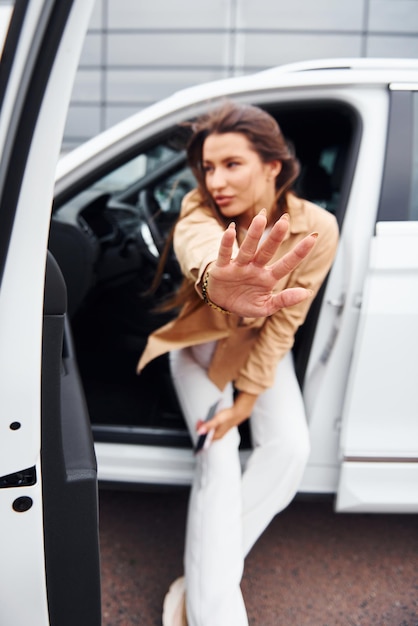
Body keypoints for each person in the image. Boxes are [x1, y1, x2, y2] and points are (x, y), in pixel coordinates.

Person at [137, 101, 339, 626]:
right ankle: (208, 613)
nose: (216, 180)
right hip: (199, 347)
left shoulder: (318, 227)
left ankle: (204, 573)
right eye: (208, 167)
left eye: (232, 164)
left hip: (258, 348)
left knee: (291, 449)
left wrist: (246, 400)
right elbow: (196, 245)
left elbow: (283, 325)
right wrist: (214, 281)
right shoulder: (199, 210)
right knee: (219, 460)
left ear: (273, 165)